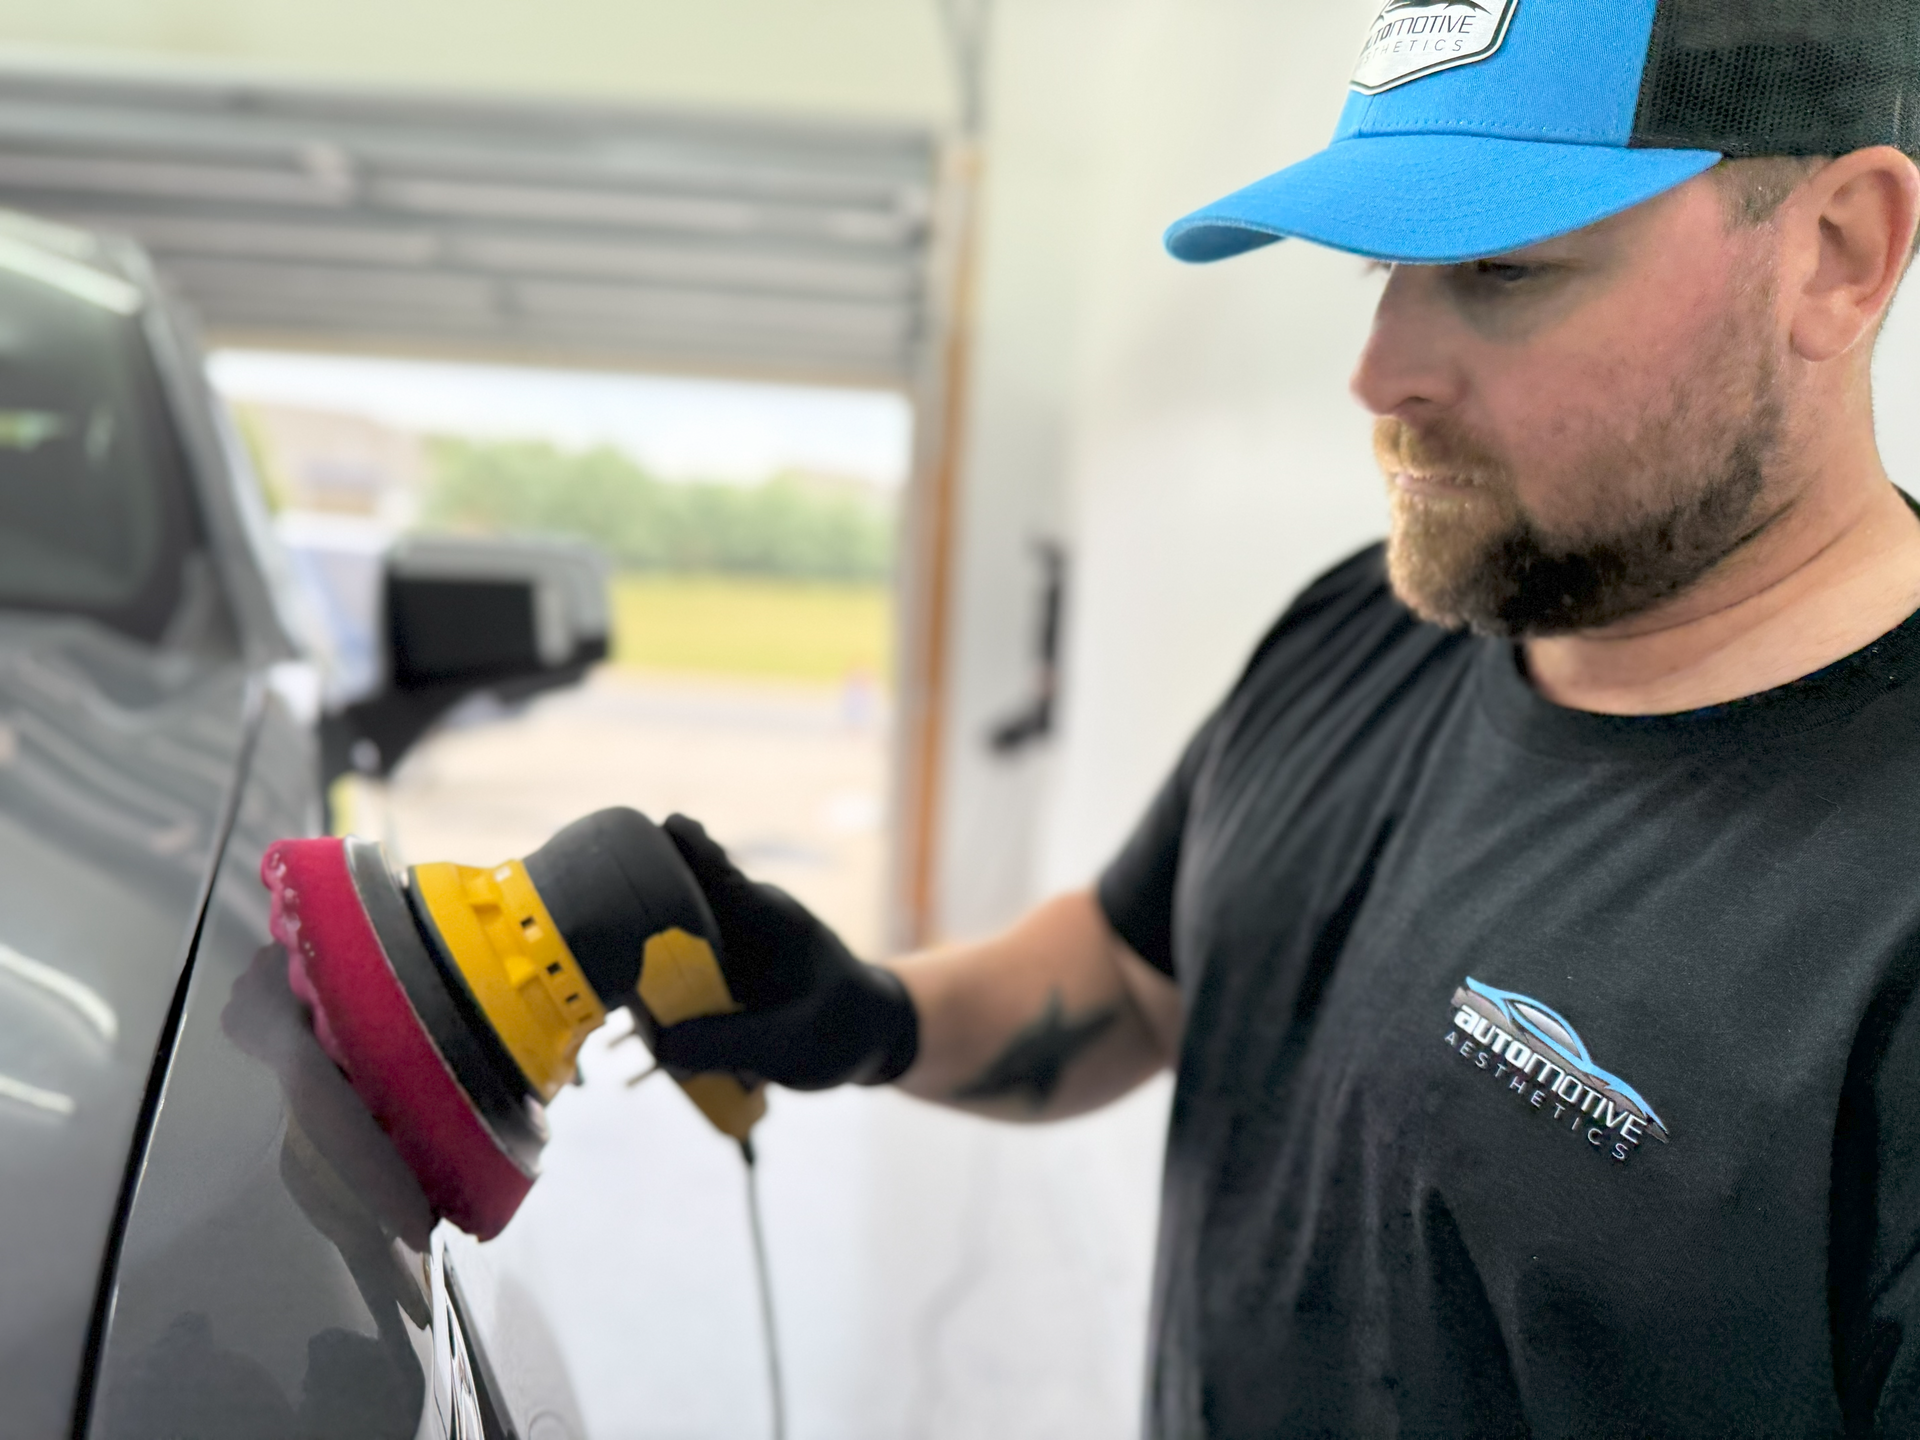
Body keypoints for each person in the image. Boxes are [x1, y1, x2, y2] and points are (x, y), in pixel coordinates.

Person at [652, 1, 1920, 1432]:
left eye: (1499, 268)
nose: (1379, 376)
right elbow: (1147, 978)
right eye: (1386, 266)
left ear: (1839, 252)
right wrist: (872, 1014)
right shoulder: (1373, 625)